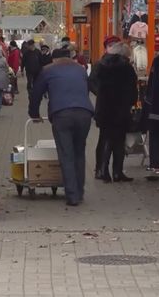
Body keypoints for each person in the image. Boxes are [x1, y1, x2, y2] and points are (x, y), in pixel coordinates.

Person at [28, 48, 94, 206]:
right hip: (84, 113)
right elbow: (86, 90)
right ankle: (79, 191)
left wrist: (34, 114)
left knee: (66, 154)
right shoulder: (81, 69)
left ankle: (72, 195)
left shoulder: (48, 70)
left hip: (62, 114)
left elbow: (36, 93)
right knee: (79, 152)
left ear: (53, 59)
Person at [91, 42, 138, 182]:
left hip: (104, 107)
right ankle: (117, 172)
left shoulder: (100, 65)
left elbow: (91, 82)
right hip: (121, 108)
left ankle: (102, 170)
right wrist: (131, 102)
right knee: (119, 140)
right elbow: (132, 88)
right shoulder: (127, 67)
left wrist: (100, 94)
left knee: (105, 138)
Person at [89, 35, 121, 179]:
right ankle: (100, 168)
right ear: (106, 47)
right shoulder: (100, 64)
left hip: (116, 108)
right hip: (106, 108)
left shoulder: (123, 63)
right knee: (104, 138)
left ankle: (116, 170)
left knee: (118, 139)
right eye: (111, 45)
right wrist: (102, 94)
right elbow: (92, 83)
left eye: (116, 44)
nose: (113, 47)